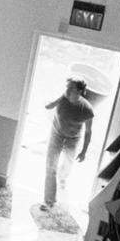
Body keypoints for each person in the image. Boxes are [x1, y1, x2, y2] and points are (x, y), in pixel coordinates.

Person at [40, 77, 94, 211]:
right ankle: (49, 200)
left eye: (71, 88)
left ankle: (62, 179)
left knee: (67, 166)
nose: (67, 90)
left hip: (73, 139)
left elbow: (88, 132)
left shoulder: (87, 109)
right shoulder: (63, 97)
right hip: (56, 134)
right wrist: (50, 102)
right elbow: (49, 106)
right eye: (67, 87)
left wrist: (84, 151)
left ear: (80, 91)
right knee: (50, 166)